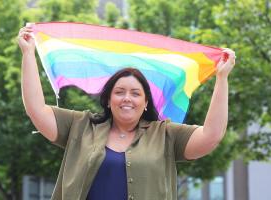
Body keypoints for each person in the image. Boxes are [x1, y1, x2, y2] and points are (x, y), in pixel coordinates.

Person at [18, 26, 236, 200]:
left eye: (135, 93)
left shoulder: (166, 135)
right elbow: (37, 109)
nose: (127, 99)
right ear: (108, 99)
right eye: (119, 92)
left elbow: (211, 135)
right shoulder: (80, 125)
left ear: (146, 102)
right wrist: (28, 53)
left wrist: (222, 78)